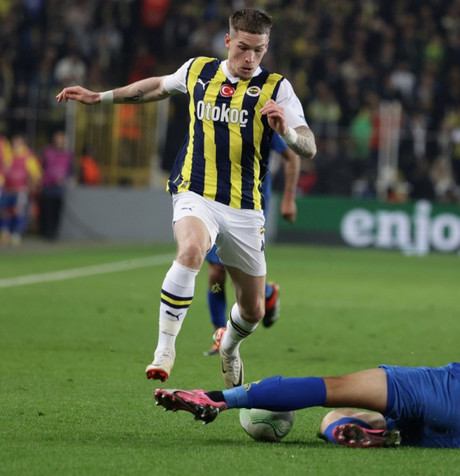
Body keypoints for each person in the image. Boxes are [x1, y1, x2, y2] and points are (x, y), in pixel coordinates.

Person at [56, 9, 316, 385]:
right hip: (196, 192)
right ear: (227, 41)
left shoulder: (277, 89)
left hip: (245, 207)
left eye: (258, 50)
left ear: (266, 47)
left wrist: (287, 132)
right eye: (243, 48)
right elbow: (156, 87)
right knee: (191, 251)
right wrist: (101, 97)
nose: (250, 58)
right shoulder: (198, 70)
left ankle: (229, 346)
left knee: (254, 310)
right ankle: (165, 349)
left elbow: (309, 146)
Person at [153, 269, 460, 449]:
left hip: (450, 391)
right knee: (339, 418)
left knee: (331, 387)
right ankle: (370, 433)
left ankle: (216, 398)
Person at [204, 131, 300, 356]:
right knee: (217, 272)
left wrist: (288, 199)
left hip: (251, 204)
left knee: (240, 274)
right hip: (216, 199)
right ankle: (219, 332)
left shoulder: (259, 118)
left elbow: (291, 156)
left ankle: (267, 292)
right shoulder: (214, 115)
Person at [0, 132, 42, 246]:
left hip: (20, 190)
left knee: (18, 211)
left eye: (18, 142)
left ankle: (16, 233)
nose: (15, 145)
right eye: (14, 142)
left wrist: (33, 185)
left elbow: (36, 174)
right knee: (5, 211)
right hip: (7, 189)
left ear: (23, 143)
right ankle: (5, 233)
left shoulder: (28, 156)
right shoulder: (8, 155)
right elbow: (4, 170)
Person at [39, 129, 73, 240]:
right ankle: (45, 232)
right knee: (46, 211)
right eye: (58, 138)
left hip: (60, 189)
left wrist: (65, 179)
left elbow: (70, 171)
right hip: (47, 186)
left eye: (62, 139)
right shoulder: (47, 152)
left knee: (57, 212)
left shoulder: (68, 155)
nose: (60, 141)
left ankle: (54, 233)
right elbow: (42, 168)